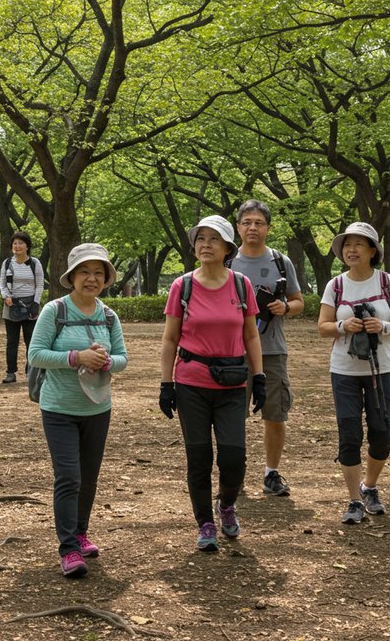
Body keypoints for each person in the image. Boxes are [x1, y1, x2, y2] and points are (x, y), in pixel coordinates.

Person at [160, 214, 265, 552]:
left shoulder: (241, 285)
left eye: (213, 239)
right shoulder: (183, 286)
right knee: (199, 457)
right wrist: (166, 383)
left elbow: (251, 334)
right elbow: (169, 338)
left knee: (234, 456)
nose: (205, 244)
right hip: (191, 383)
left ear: (227, 248)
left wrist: (259, 377)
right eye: (200, 239)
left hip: (233, 383)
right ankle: (205, 522)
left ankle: (227, 505)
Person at [27, 243, 128, 578]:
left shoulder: (109, 315)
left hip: (98, 407)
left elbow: (123, 359)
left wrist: (105, 360)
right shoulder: (54, 311)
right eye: (85, 271)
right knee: (68, 476)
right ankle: (68, 548)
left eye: (99, 273)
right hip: (58, 408)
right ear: (71, 276)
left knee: (88, 478)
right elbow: (35, 355)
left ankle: (81, 533)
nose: (92, 278)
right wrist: (76, 358)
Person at [317, 222, 390, 525]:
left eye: (359, 244)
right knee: (349, 433)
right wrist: (344, 326)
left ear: (373, 251)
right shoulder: (336, 285)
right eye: (347, 245)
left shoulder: (387, 282)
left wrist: (381, 326)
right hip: (344, 370)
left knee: (382, 433)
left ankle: (370, 485)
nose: (351, 250)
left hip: (383, 368)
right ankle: (354, 499)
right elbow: (323, 327)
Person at [230, 200, 304, 497]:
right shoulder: (226, 261)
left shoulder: (280, 261)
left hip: (272, 350)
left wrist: (285, 307)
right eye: (247, 222)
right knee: (232, 416)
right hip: (233, 352)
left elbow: (299, 302)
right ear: (237, 227)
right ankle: (233, 474)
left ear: (268, 228)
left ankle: (271, 472)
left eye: (259, 223)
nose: (252, 228)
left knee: (275, 414)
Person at [0, 230, 45, 383]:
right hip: (12, 305)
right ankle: (11, 373)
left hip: (30, 305)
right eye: (15, 243)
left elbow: (40, 285)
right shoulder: (7, 263)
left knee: (31, 340)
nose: (17, 246)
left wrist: (36, 304)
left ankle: (31, 370)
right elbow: (2, 284)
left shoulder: (35, 263)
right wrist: (6, 296)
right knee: (11, 341)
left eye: (20, 243)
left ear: (27, 246)